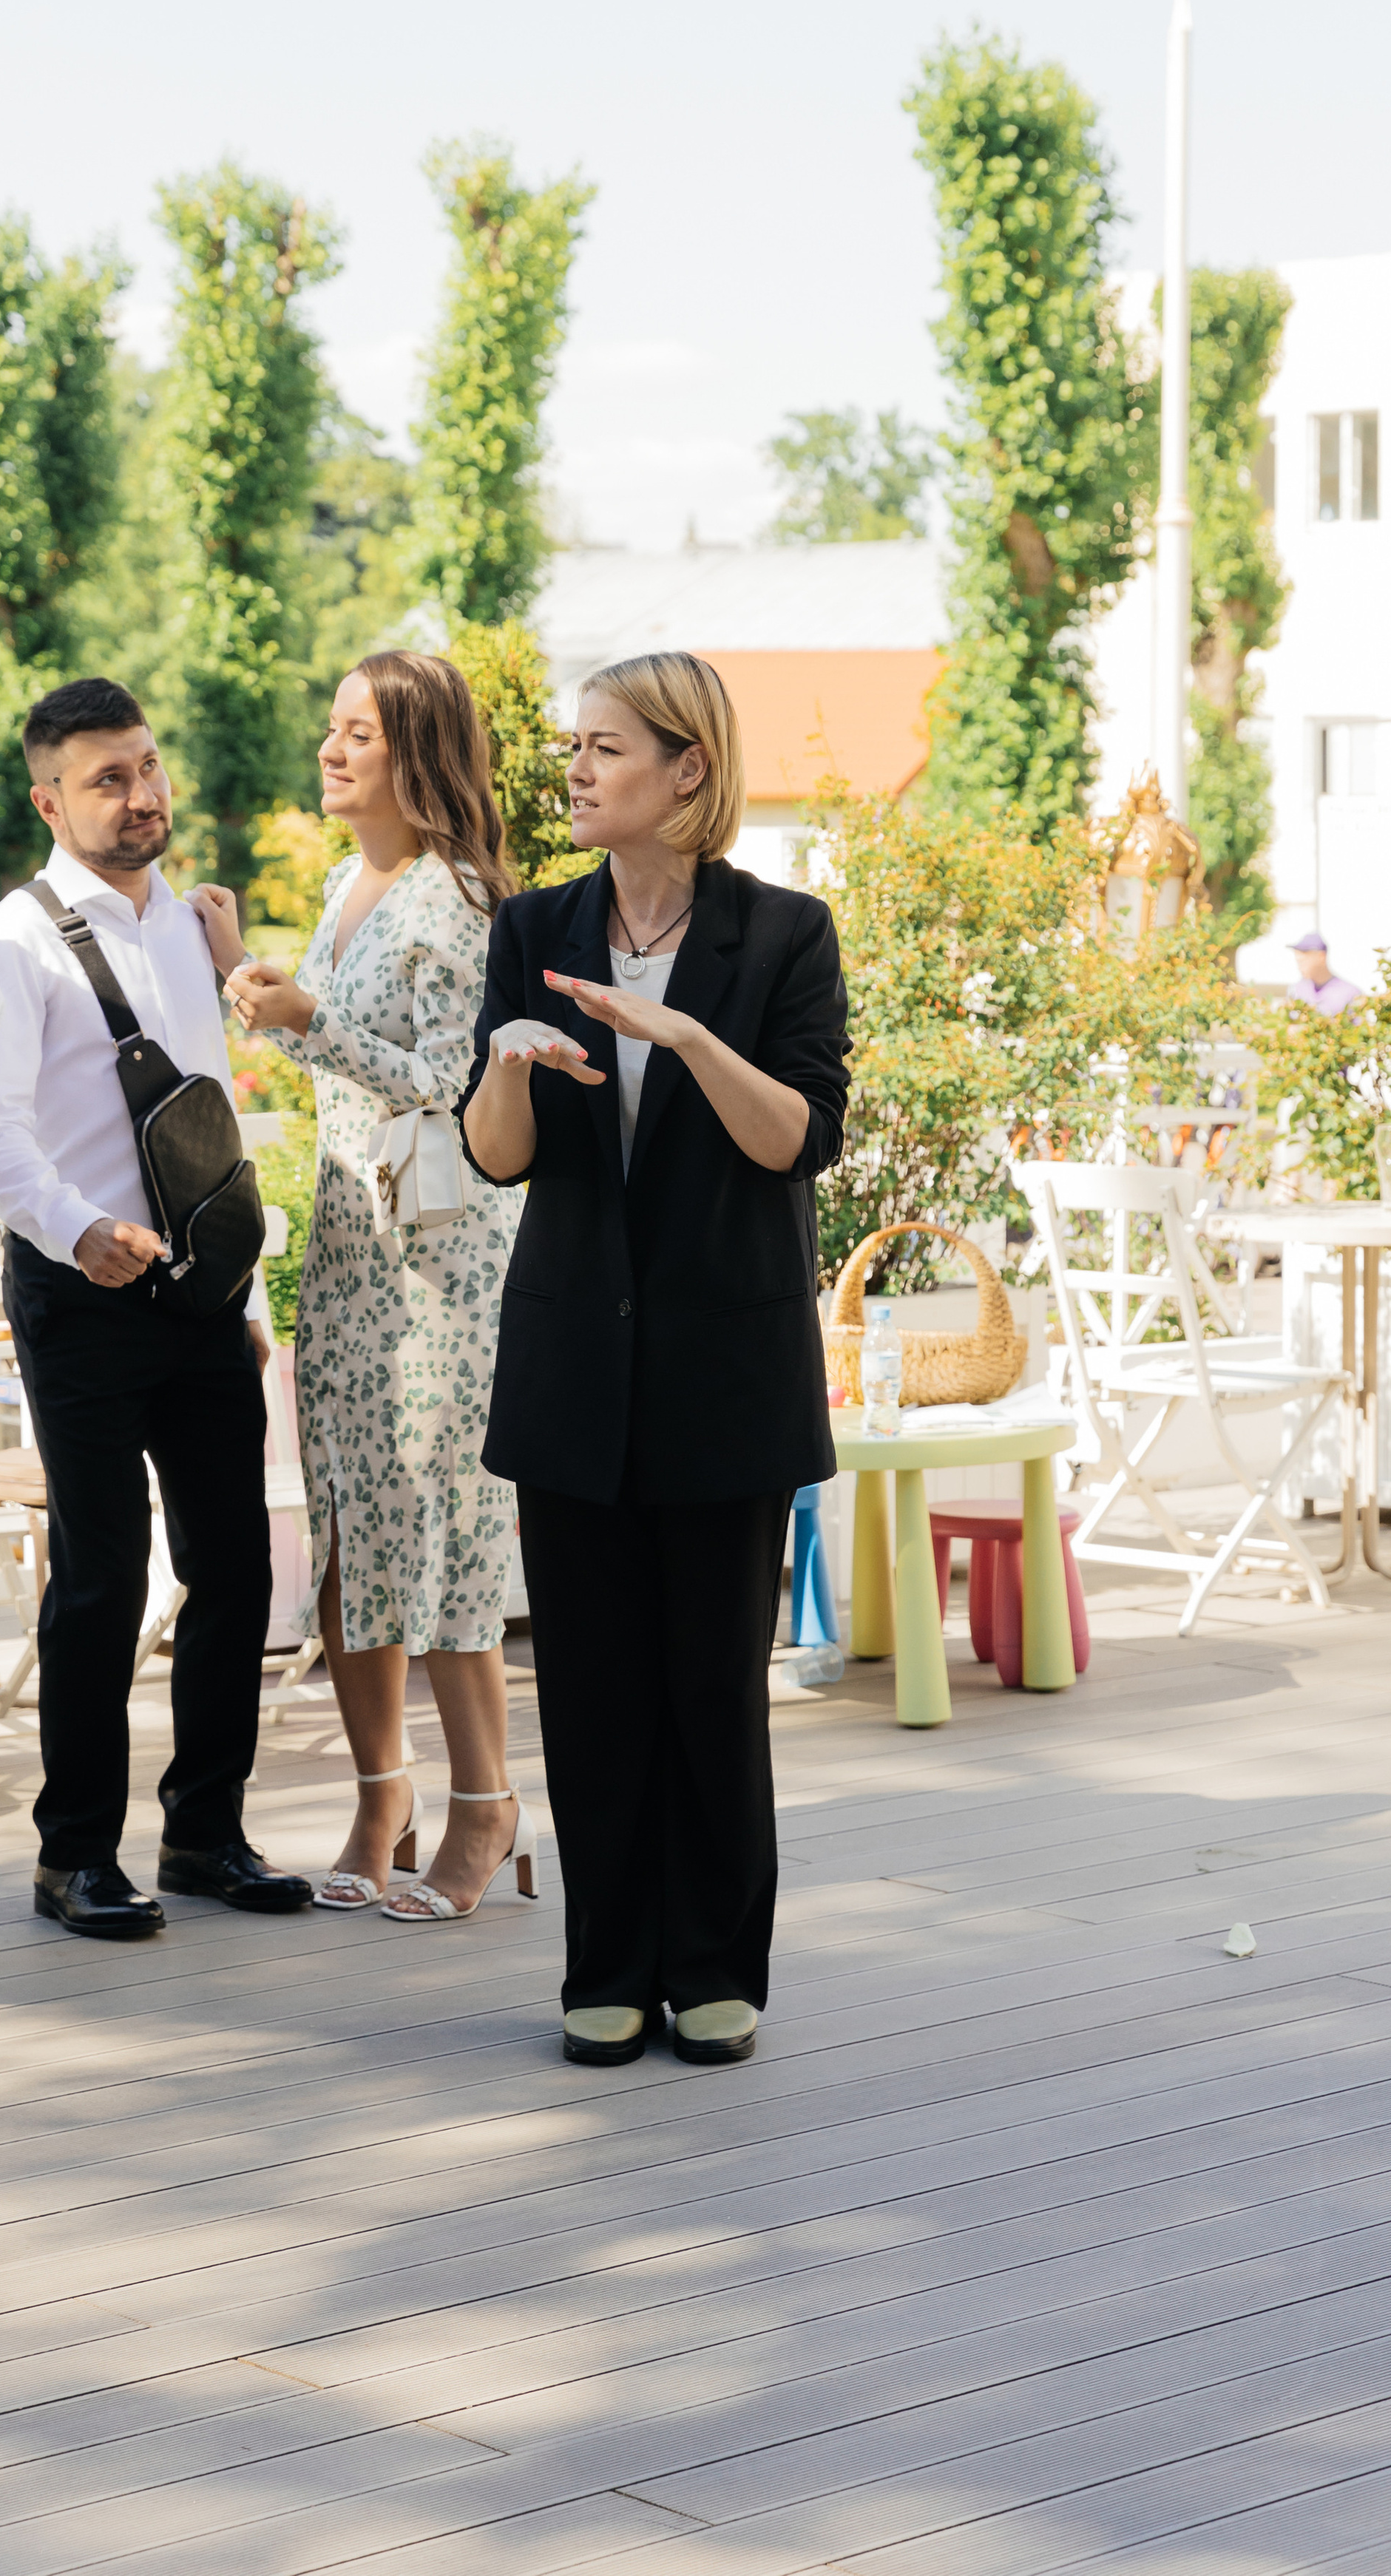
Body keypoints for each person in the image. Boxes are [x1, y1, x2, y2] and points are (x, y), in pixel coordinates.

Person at [460, 651, 849, 2070]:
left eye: (605, 748)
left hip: (725, 1380)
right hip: (572, 1376)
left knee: (709, 1694)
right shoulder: (532, 925)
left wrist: (680, 1033)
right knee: (595, 1691)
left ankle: (716, 1969)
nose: (574, 769)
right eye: (574, 746)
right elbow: (495, 1159)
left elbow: (798, 1139)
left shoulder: (785, 934)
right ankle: (606, 1967)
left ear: (688, 769)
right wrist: (507, 1061)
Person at [0, 678, 310, 1942]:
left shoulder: (190, 925)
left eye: (149, 766)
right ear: (49, 799)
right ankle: (74, 1859)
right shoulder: (10, 942)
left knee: (232, 1567)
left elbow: (209, 1138)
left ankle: (207, 1835)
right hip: (82, 1297)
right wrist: (81, 1232)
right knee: (102, 1581)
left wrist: (246, 1292)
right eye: (109, 778)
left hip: (203, 1302)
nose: (143, 793)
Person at [201, 653, 532, 1924]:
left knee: (442, 1526)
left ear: (419, 755)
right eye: (330, 727)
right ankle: (380, 1795)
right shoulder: (349, 883)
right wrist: (245, 968)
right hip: (349, 1246)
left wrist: (298, 1021)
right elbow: (330, 1044)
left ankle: (486, 1806)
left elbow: (452, 1077)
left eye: (360, 733)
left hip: (442, 1262)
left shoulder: (456, 898)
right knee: (349, 1528)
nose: (331, 751)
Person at [1286, 932, 1364, 1017]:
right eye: (1298, 962)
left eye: (1303, 961)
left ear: (1321, 957)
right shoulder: (1296, 990)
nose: (1300, 967)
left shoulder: (1350, 994)